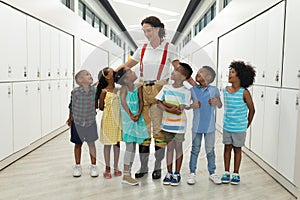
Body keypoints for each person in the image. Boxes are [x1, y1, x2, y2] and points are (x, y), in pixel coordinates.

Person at [116, 16, 179, 179]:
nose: (146, 34)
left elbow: (179, 69)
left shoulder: (169, 48)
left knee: (158, 132)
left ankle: (157, 167)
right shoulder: (141, 48)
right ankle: (143, 167)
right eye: (144, 31)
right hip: (143, 90)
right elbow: (126, 66)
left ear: (158, 29)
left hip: (160, 90)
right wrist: (107, 77)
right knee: (143, 132)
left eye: (149, 30)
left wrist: (194, 85)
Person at [156, 62, 193, 186]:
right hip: (166, 125)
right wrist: (169, 108)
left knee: (178, 149)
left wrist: (174, 106)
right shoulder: (166, 88)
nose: (173, 71)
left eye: (177, 70)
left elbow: (182, 108)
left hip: (179, 126)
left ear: (183, 77)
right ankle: (169, 172)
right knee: (169, 148)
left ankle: (177, 173)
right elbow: (158, 103)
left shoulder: (187, 92)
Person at [186, 66, 223, 185]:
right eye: (198, 71)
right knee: (194, 150)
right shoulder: (192, 90)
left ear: (209, 77)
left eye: (201, 72)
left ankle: (212, 173)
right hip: (197, 127)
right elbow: (186, 106)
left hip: (210, 128)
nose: (198, 73)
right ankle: (192, 173)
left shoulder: (214, 90)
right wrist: (193, 106)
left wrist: (216, 102)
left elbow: (220, 105)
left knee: (210, 151)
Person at [221, 61, 256, 185]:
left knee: (237, 150)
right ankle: (226, 172)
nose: (229, 74)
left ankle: (235, 173)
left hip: (239, 128)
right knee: (227, 148)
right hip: (227, 126)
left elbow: (252, 110)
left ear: (240, 76)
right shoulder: (225, 90)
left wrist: (247, 124)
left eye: (233, 72)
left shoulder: (244, 92)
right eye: (229, 71)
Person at [114, 67, 149, 185]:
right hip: (128, 121)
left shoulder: (138, 87)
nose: (133, 71)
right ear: (125, 79)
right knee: (129, 147)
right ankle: (126, 174)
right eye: (130, 71)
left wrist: (138, 114)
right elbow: (123, 102)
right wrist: (131, 115)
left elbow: (141, 101)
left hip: (136, 119)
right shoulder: (123, 89)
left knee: (133, 147)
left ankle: (128, 172)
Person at [66, 70, 99, 177]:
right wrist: (70, 118)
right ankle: (77, 165)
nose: (90, 75)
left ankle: (94, 166)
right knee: (78, 144)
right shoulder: (75, 92)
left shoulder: (95, 91)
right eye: (87, 74)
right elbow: (71, 106)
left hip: (90, 122)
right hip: (77, 122)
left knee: (91, 144)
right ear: (80, 80)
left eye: (90, 74)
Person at [96, 67, 122, 179]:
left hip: (118, 120)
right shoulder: (104, 91)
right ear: (107, 76)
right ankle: (107, 167)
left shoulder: (118, 88)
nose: (114, 71)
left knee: (117, 143)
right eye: (112, 71)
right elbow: (101, 107)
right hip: (108, 119)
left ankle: (116, 166)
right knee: (107, 144)